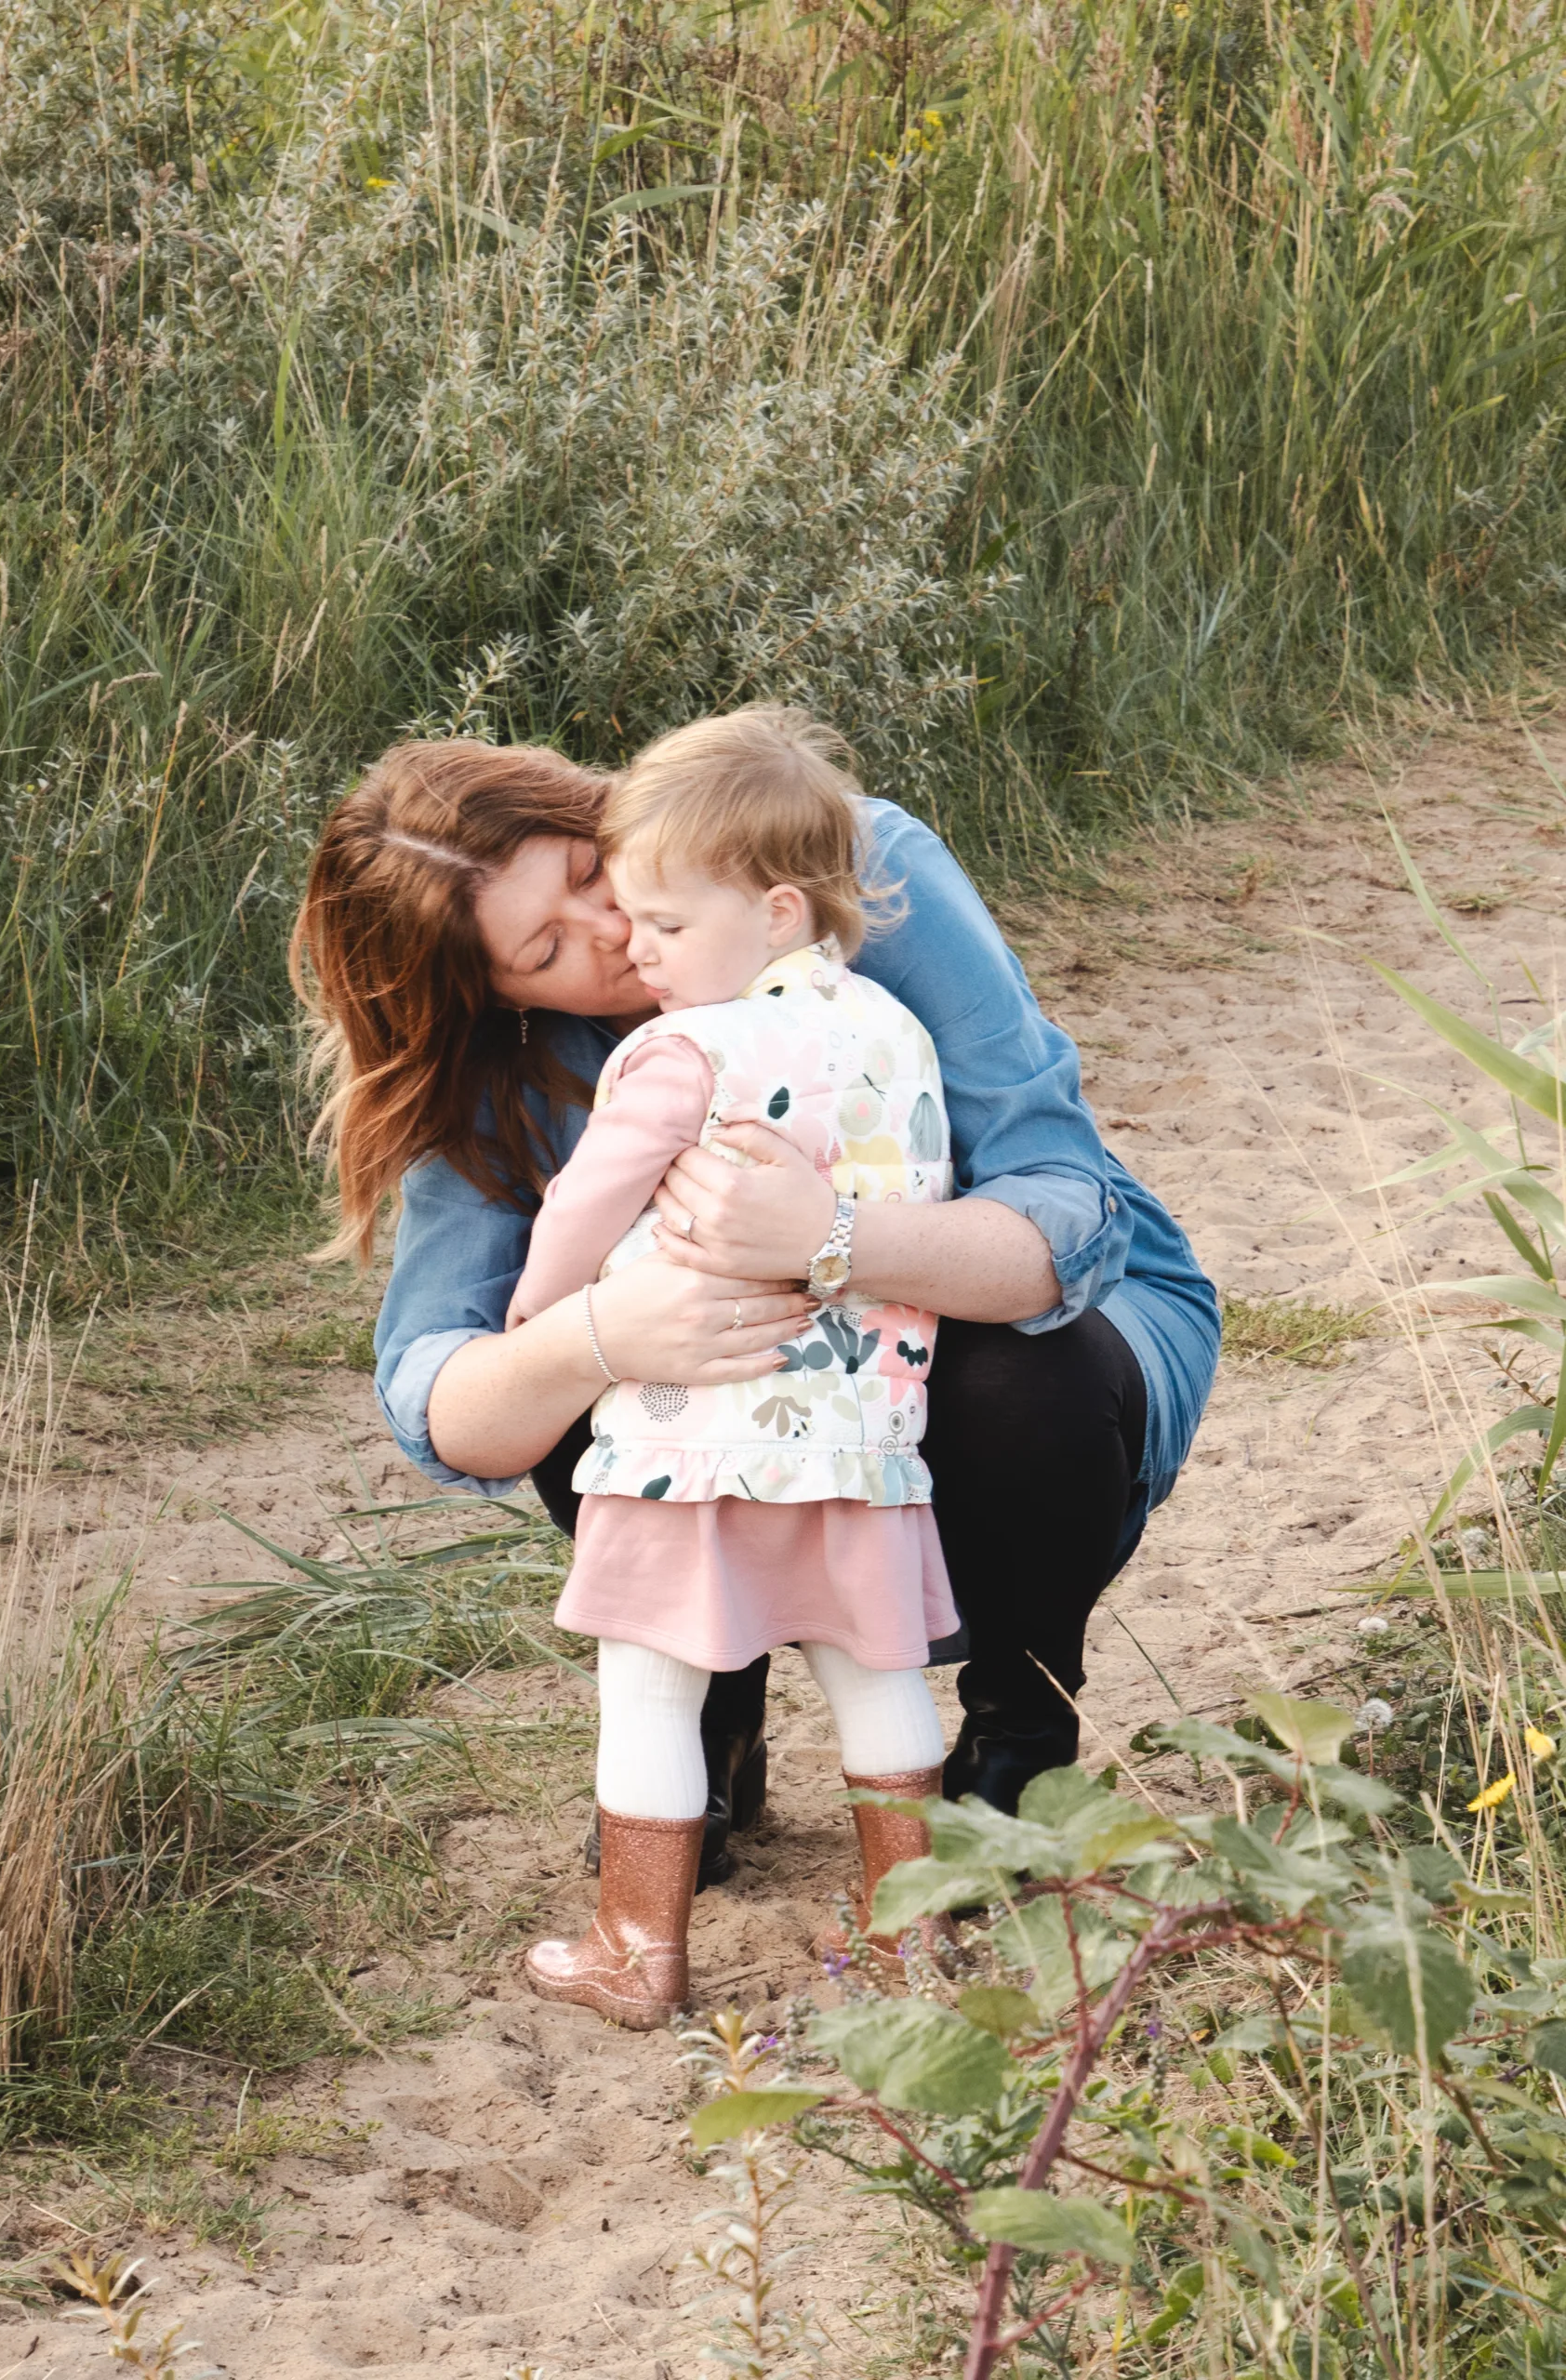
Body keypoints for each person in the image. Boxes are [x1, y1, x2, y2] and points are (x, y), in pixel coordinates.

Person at [290, 714, 1218, 1897]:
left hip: (1044, 1332)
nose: (615, 935)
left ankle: (1020, 1743)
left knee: (1012, 1369)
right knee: (574, 1361)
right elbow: (444, 1394)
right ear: (497, 996)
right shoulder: (506, 1072)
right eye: (545, 949)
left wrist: (834, 1239)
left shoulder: (833, 860)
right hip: (745, 1386)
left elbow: (1069, 1215)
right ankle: (706, 1728)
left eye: (588, 873)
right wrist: (600, 1334)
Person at [503, 709, 953, 2025]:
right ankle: (909, 1942)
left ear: (773, 910)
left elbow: (589, 1203)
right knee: (881, 1676)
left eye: (664, 925)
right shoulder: (896, 1038)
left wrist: (542, 1317)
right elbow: (913, 1204)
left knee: (649, 1676)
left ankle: (638, 1950)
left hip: (689, 1432)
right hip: (863, 1432)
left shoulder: (681, 1047)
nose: (635, 951)